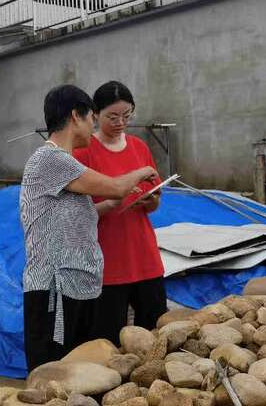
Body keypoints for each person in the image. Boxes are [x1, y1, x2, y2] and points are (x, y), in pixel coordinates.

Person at [20, 84, 157, 371]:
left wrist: (111, 206)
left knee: (77, 374)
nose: (94, 125)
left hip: (74, 287)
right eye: (91, 118)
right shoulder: (51, 159)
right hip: (54, 291)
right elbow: (117, 187)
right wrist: (144, 172)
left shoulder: (63, 162)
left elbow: (76, 216)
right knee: (54, 378)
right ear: (75, 117)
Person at [73, 81, 167, 344]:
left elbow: (154, 198)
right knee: (107, 338)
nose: (120, 122)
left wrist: (151, 202)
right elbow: (76, 212)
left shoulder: (139, 147)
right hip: (107, 259)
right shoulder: (84, 152)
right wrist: (112, 201)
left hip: (144, 254)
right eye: (112, 116)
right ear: (95, 115)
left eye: (127, 115)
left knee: (155, 331)